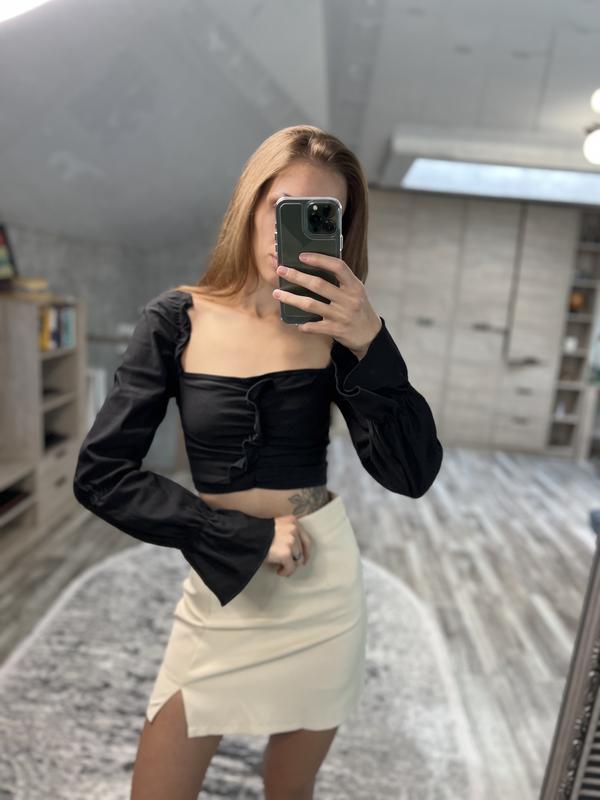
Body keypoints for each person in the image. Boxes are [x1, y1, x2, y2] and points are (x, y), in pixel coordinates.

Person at [72, 124, 443, 800]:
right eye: (281, 208)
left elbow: (412, 474)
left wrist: (371, 343)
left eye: (318, 216)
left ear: (340, 233)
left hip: (321, 584)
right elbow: (101, 475)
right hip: (226, 576)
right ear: (249, 206)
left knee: (288, 793)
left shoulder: (338, 333)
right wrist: (239, 536)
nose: (288, 232)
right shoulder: (175, 320)